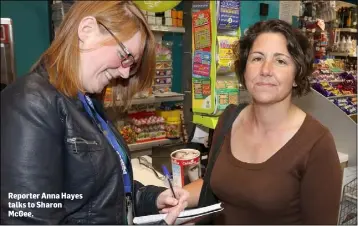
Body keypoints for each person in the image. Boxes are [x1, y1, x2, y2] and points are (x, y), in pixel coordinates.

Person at [1, 1, 188, 224]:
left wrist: (151, 198)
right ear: (87, 30)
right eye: (125, 55)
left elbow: (96, 193)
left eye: (132, 64)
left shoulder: (87, 102)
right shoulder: (31, 103)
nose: (125, 73)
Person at [183, 19, 342, 225]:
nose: (266, 70)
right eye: (257, 58)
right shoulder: (229, 119)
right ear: (245, 69)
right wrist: (180, 197)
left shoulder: (317, 144)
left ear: (297, 75)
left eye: (280, 61)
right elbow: (217, 186)